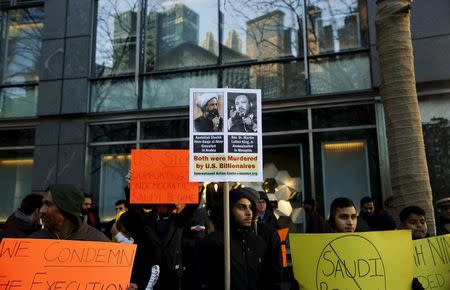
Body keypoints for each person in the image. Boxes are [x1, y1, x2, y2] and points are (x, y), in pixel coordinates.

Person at [196, 187, 277, 290]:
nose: (249, 213)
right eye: (241, 207)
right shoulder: (212, 243)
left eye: (250, 207)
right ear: (229, 209)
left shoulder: (258, 243)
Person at [30, 184, 109, 241]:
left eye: (48, 204)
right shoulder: (34, 240)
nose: (41, 210)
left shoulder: (98, 242)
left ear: (66, 208)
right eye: (43, 204)